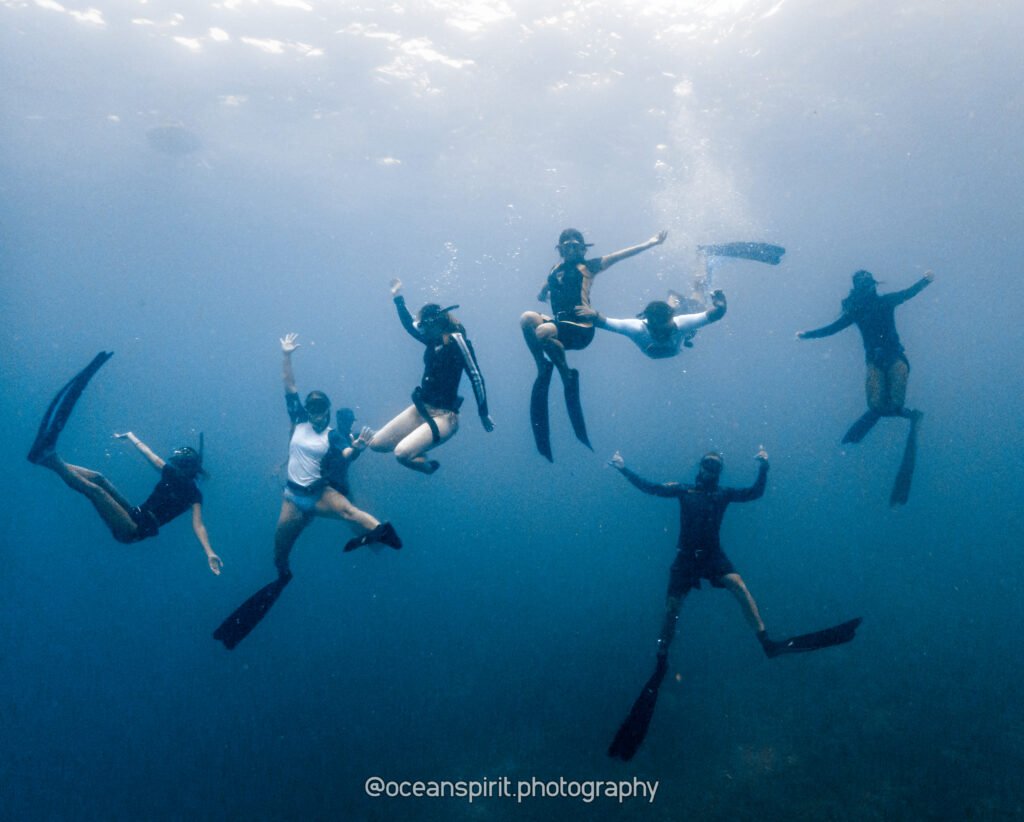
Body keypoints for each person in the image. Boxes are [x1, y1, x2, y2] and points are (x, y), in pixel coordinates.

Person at [606, 447, 860, 761]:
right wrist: (623, 469)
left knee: (738, 585)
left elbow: (755, 492)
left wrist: (764, 465)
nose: (711, 469)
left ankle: (767, 642)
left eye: (716, 466)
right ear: (699, 467)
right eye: (708, 464)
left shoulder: (723, 494)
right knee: (671, 610)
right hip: (685, 559)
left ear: (719, 472)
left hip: (712, 556)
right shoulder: (683, 489)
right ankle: (661, 657)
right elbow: (651, 487)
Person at [27, 351, 222, 574]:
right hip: (134, 513)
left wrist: (209, 551)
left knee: (96, 492)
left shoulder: (193, 495)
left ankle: (50, 459)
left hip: (133, 530)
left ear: (189, 466)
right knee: (99, 479)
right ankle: (48, 460)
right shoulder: (171, 472)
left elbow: (199, 525)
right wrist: (130, 436)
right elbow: (148, 453)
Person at [521, 228, 667, 459]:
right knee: (527, 319)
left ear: (583, 248)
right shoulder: (555, 269)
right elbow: (550, 284)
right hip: (561, 325)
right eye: (566, 245)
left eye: (576, 245)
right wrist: (542, 291)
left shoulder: (589, 267)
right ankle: (543, 366)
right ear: (560, 249)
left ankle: (565, 373)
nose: (571, 249)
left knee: (542, 332)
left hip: (582, 330)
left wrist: (650, 242)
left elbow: (620, 255)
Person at [798, 270, 934, 505]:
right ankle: (904, 415)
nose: (867, 287)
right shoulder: (855, 312)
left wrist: (925, 281)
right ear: (859, 288)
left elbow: (908, 293)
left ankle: (904, 413)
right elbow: (832, 328)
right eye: (863, 284)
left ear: (873, 285)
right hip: (874, 362)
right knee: (877, 406)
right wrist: (808, 335)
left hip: (895, 358)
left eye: (869, 283)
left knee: (892, 404)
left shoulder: (885, 301)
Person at [275, 332, 401, 571]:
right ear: (307, 410)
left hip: (319, 494)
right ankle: (282, 574)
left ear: (327, 410)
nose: (316, 414)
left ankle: (385, 535)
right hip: (291, 497)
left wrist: (355, 448)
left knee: (350, 511)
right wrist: (286, 356)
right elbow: (289, 384)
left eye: (320, 409)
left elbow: (345, 454)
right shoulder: (299, 418)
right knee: (280, 549)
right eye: (311, 409)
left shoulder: (332, 435)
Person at [369, 280, 494, 474]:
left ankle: (425, 465)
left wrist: (483, 412)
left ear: (436, 323)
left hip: (445, 416)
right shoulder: (432, 339)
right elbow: (410, 326)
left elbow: (476, 377)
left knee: (401, 454)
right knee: (375, 444)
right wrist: (398, 297)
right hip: (421, 408)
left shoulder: (458, 342)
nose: (423, 331)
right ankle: (417, 451)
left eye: (425, 326)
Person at [578, 290, 726, 359]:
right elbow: (603, 321)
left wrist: (721, 305)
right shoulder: (637, 328)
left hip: (676, 319)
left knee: (698, 304)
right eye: (657, 331)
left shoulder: (680, 324)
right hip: (672, 322)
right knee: (690, 314)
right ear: (648, 325)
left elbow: (716, 314)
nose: (662, 336)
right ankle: (672, 300)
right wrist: (591, 314)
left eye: (666, 330)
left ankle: (674, 301)